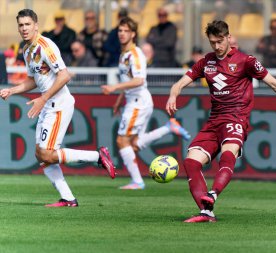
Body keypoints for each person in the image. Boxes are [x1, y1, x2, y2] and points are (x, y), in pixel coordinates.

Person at [166, 20, 276, 222]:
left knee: (228, 153)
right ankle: (206, 212)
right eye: (212, 42)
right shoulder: (206, 62)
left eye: (220, 41)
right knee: (191, 162)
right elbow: (180, 83)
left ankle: (213, 194)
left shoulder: (246, 61)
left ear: (228, 37)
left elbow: (274, 84)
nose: (217, 46)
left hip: (236, 118)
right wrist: (173, 95)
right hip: (214, 121)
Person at [0, 9, 116, 207]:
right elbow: (32, 80)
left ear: (36, 25)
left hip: (59, 104)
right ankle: (68, 198)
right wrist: (13, 90)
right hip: (48, 104)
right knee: (41, 155)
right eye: (21, 25)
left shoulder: (46, 46)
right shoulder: (27, 50)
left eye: (28, 24)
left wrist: (43, 99)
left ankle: (98, 156)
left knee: (47, 153)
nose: (24, 28)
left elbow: (64, 75)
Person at [101, 17, 191, 190]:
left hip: (138, 102)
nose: (122, 34)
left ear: (133, 34)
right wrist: (119, 100)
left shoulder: (136, 54)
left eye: (126, 31)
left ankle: (137, 181)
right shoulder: (123, 54)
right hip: (132, 100)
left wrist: (114, 87)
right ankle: (168, 128)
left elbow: (139, 80)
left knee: (121, 141)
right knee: (133, 143)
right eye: (120, 30)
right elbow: (128, 80)